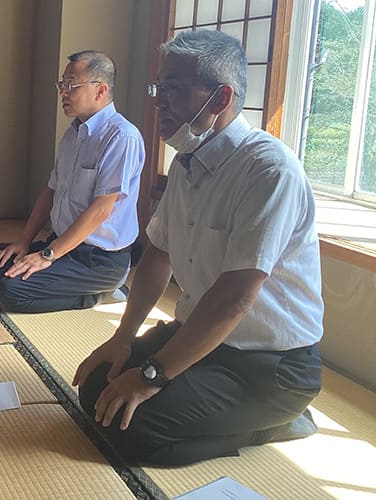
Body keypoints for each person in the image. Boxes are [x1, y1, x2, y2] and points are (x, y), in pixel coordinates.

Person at [73, 30, 324, 466]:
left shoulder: (268, 171)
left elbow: (235, 298)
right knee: (99, 384)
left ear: (221, 97)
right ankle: (228, 412)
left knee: (135, 432)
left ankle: (274, 422)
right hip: (199, 337)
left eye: (174, 89)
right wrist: (122, 338)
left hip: (269, 366)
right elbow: (158, 256)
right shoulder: (188, 162)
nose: (159, 101)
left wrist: (152, 376)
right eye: (159, 88)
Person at [0, 50, 145, 313]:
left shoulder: (122, 137)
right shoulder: (73, 133)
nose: (63, 93)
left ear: (100, 90)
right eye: (62, 85)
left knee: (13, 293)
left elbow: (101, 209)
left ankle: (102, 293)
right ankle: (74, 280)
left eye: (70, 86)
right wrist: (24, 240)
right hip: (63, 246)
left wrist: (47, 256)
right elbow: (51, 190)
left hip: (99, 260)